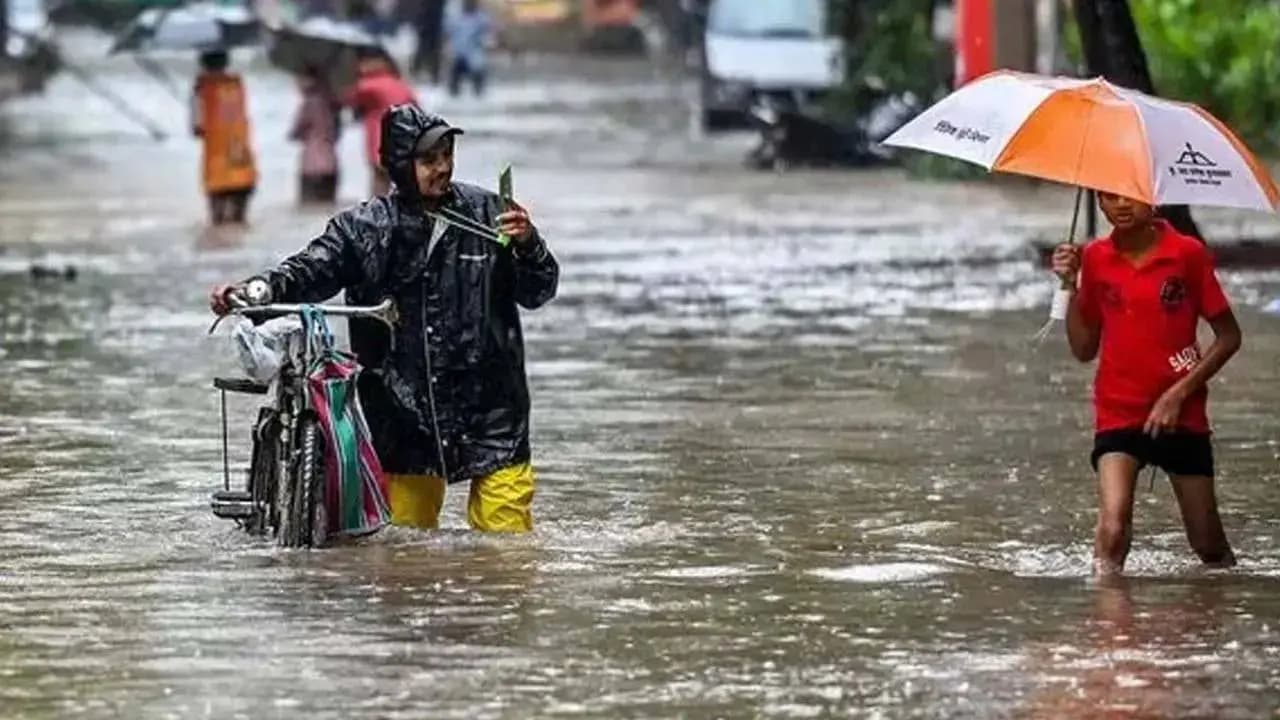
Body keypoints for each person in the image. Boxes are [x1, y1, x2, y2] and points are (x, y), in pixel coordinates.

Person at [209, 105, 559, 533]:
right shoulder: (364, 229)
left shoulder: (491, 215)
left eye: (448, 155)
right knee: (405, 555)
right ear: (399, 165)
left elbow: (538, 291)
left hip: (492, 413)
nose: (443, 168)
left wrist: (529, 245)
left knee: (507, 554)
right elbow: (309, 271)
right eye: (430, 160)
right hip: (403, 418)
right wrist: (254, 292)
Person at [1052, 192, 1241, 577]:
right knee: (1111, 531)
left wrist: (1178, 394)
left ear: (1153, 198)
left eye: (1131, 195)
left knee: (1209, 547)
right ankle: (1111, 627)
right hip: (1118, 412)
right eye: (1108, 197)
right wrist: (1069, 286)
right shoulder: (1095, 258)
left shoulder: (1186, 253)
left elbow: (1229, 337)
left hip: (1182, 414)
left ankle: (1217, 617)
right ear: (1098, 204)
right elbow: (1084, 349)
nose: (1121, 205)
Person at [191, 51, 257, 225]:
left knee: (217, 222)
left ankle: (221, 251)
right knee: (240, 222)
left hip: (217, 168)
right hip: (241, 162)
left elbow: (196, 128)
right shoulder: (237, 83)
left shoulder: (202, 87)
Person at [347, 50, 419, 196]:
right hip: (402, 138)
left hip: (379, 139)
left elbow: (349, 99)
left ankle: (377, 211)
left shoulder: (368, 85)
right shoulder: (400, 84)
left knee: (379, 179)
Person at [289, 69, 341, 205]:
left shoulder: (309, 103)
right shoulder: (332, 103)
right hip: (331, 162)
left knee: (308, 206)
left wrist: (294, 135)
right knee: (328, 206)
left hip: (311, 165)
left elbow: (297, 130)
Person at [444, 0, 494, 98]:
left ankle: (479, 93)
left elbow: (489, 33)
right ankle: (453, 94)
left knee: (478, 69)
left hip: (474, 54)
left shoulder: (481, 18)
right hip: (459, 54)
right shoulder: (455, 18)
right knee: (454, 73)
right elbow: (447, 33)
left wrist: (485, 41)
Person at [413, 0, 447, 83]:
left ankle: (434, 75)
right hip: (426, 27)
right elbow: (420, 12)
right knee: (422, 50)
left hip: (435, 27)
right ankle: (417, 71)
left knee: (434, 52)